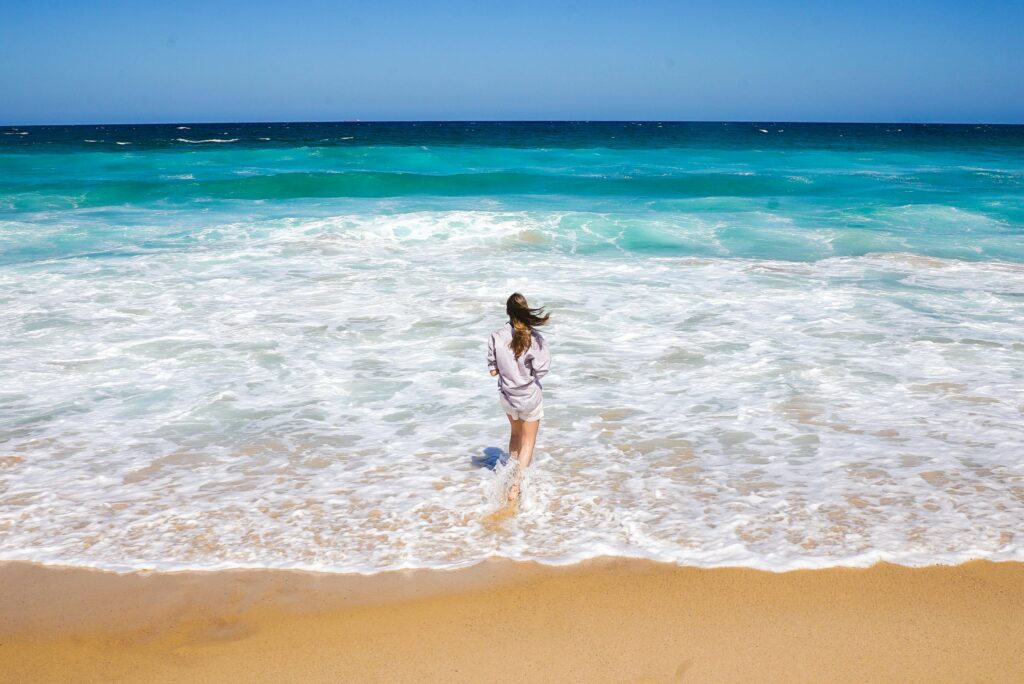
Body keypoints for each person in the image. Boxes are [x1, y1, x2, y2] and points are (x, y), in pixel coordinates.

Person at [486, 293, 551, 502]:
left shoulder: (496, 336)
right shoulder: (535, 338)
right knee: (528, 441)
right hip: (529, 397)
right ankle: (516, 486)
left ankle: (508, 476)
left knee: (515, 435)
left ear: (507, 311)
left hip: (507, 396)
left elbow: (493, 371)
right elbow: (541, 371)